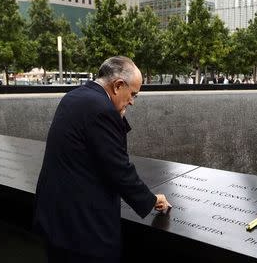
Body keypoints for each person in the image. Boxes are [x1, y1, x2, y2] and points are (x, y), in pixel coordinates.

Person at [33, 56, 171, 263]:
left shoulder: (74, 96)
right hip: (82, 230)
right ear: (117, 85)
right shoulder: (102, 110)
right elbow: (118, 167)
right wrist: (151, 200)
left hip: (55, 218)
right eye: (133, 94)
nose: (132, 101)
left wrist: (119, 117)